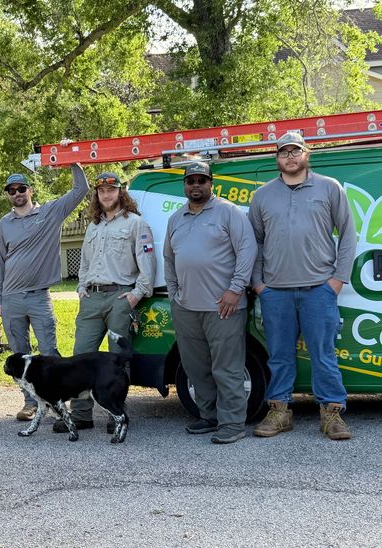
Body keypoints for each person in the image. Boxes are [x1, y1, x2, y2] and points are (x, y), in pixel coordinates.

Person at [249, 133, 356, 440]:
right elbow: (254, 242)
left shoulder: (329, 188)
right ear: (277, 159)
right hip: (276, 293)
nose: (290, 156)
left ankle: (332, 414)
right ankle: (280, 412)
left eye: (296, 150)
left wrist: (336, 281)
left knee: (324, 354)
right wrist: (259, 284)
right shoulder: (263, 196)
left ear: (307, 154)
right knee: (279, 355)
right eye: (284, 152)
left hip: (318, 290)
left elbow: (347, 235)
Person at [53, 171, 157, 433]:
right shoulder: (93, 226)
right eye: (101, 191)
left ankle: (116, 413)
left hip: (119, 298)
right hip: (91, 299)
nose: (106, 194)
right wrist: (81, 287)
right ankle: (81, 415)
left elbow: (147, 263)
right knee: (80, 356)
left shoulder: (136, 224)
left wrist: (136, 294)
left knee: (116, 359)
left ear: (121, 193)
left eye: (111, 190)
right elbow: (85, 262)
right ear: (97, 195)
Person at [164, 162, 257, 444]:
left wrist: (235, 289)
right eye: (190, 180)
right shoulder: (176, 218)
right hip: (186, 308)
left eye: (201, 180)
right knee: (195, 367)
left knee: (227, 367)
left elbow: (247, 250)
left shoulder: (229, 212)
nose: (196, 185)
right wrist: (173, 294)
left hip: (223, 307)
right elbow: (169, 259)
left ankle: (232, 423)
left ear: (211, 183)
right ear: (184, 185)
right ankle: (209, 416)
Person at [0, 167, 89, 421]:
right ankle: (30, 403)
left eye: (21, 189)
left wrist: (72, 162)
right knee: (19, 354)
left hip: (38, 297)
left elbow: (81, 190)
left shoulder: (49, 213)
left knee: (49, 352)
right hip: (11, 297)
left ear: (30, 190)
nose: (17, 193)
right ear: (9, 195)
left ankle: (58, 402)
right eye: (12, 191)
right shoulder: (5, 223)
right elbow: (1, 262)